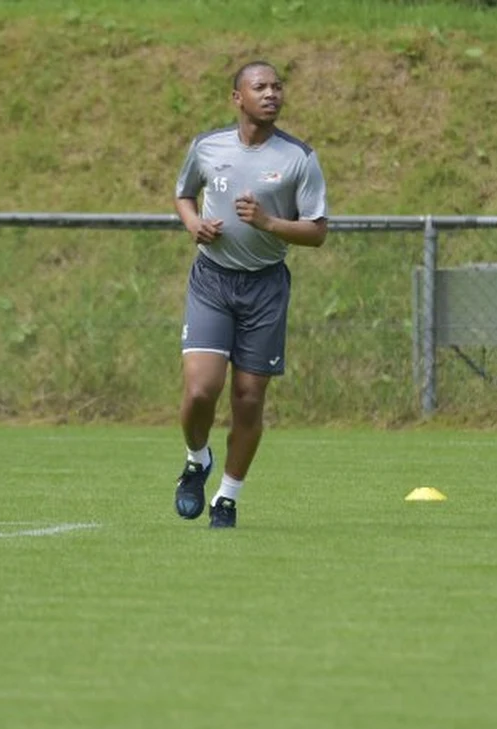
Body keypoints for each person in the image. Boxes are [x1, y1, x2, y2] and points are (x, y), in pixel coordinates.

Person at [172, 60, 329, 528]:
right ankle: (197, 460)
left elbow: (317, 232)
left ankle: (227, 498)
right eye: (260, 87)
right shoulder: (207, 147)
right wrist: (193, 223)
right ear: (237, 98)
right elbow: (184, 195)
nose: (271, 94)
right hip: (213, 280)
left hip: (265, 286)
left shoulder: (299, 158)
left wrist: (268, 224)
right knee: (201, 391)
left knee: (247, 398)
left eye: (277, 86)